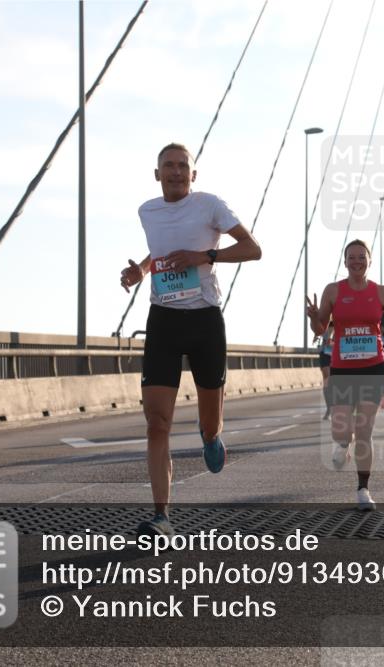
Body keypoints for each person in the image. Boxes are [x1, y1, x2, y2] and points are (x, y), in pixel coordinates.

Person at [120, 142, 262, 537]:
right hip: (163, 319)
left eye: (183, 166)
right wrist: (141, 272)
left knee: (210, 422)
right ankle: (161, 516)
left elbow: (253, 249)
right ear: (157, 173)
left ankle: (211, 434)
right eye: (169, 166)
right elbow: (160, 254)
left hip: (204, 321)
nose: (176, 172)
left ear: (193, 175)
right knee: (156, 423)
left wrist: (207, 257)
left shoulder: (210, 205)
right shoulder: (147, 211)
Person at [306, 239, 384, 511]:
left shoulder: (381, 292)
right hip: (342, 369)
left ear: (369, 260)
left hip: (373, 368)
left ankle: (363, 489)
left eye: (361, 257)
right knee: (341, 429)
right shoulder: (333, 291)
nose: (356, 261)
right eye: (351, 257)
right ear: (345, 261)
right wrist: (312, 317)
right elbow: (320, 330)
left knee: (364, 431)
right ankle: (343, 443)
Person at [317, 323, 334, 420]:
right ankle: (329, 408)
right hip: (326, 351)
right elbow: (317, 326)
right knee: (327, 381)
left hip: (340, 349)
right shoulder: (325, 309)